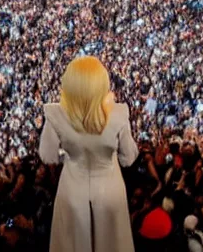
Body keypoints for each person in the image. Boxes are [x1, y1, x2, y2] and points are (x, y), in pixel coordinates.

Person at [38, 55, 139, 252]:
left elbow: (48, 155)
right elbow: (128, 158)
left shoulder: (56, 114)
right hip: (110, 189)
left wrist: (69, 156)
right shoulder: (118, 114)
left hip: (72, 189)